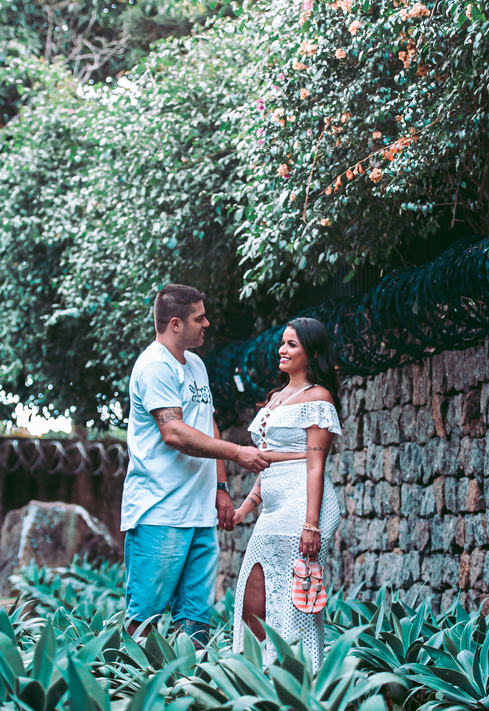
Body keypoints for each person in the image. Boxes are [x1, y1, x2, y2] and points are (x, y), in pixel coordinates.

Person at [121, 282, 269, 645]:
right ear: (175, 324)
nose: (207, 324)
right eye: (199, 318)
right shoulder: (155, 366)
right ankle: (136, 695)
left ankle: (189, 693)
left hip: (199, 513)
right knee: (145, 622)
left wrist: (220, 488)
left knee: (196, 620)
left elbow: (206, 422)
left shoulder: (196, 365)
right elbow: (174, 432)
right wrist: (236, 453)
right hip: (159, 513)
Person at [231, 317, 343, 671]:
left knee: (296, 602)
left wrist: (311, 525)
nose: (282, 349)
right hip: (274, 507)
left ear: (311, 352)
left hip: (303, 506)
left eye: (292, 344)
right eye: (283, 342)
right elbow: (267, 465)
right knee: (253, 596)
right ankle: (256, 677)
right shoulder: (276, 397)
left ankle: (299, 684)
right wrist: (244, 509)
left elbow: (314, 465)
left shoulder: (318, 398)